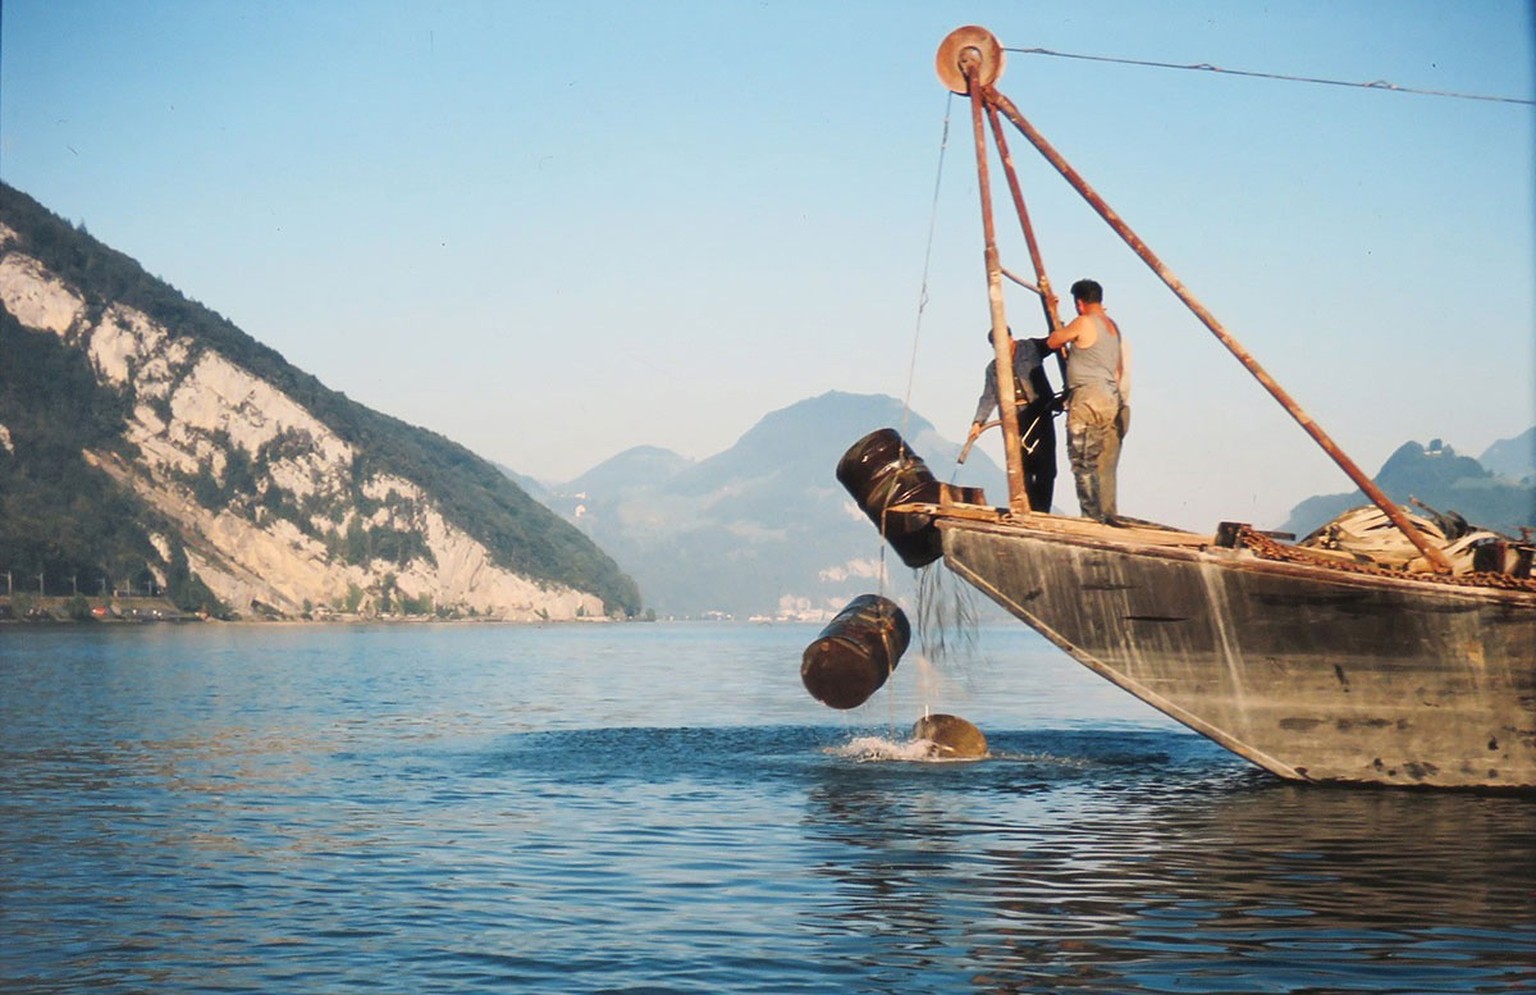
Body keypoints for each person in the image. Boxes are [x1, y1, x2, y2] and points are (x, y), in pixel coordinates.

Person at [1046, 279, 1127, 523]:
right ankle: (1100, 514)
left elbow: (1053, 341)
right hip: (1109, 398)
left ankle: (1092, 518)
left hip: (1088, 397)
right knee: (1094, 460)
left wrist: (1056, 318)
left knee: (1081, 461)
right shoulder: (1112, 328)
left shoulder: (1084, 321)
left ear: (1080, 303)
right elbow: (1119, 369)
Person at [966, 327, 1058, 513]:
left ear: (1011, 338)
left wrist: (1059, 329)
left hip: (1039, 413)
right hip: (1014, 420)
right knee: (1022, 468)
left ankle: (1042, 510)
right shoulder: (993, 369)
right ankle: (1028, 510)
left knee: (1045, 466)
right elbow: (988, 397)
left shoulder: (1030, 348)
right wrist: (978, 422)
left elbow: (1053, 342)